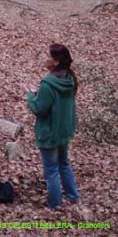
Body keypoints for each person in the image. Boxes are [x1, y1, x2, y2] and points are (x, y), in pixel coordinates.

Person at [24, 43, 80, 209]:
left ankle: (54, 204)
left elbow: (39, 109)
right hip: (64, 131)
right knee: (63, 163)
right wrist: (38, 92)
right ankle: (73, 196)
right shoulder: (69, 78)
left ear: (55, 62)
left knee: (51, 170)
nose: (44, 58)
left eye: (47, 55)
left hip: (49, 133)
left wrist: (29, 94)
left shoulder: (48, 83)